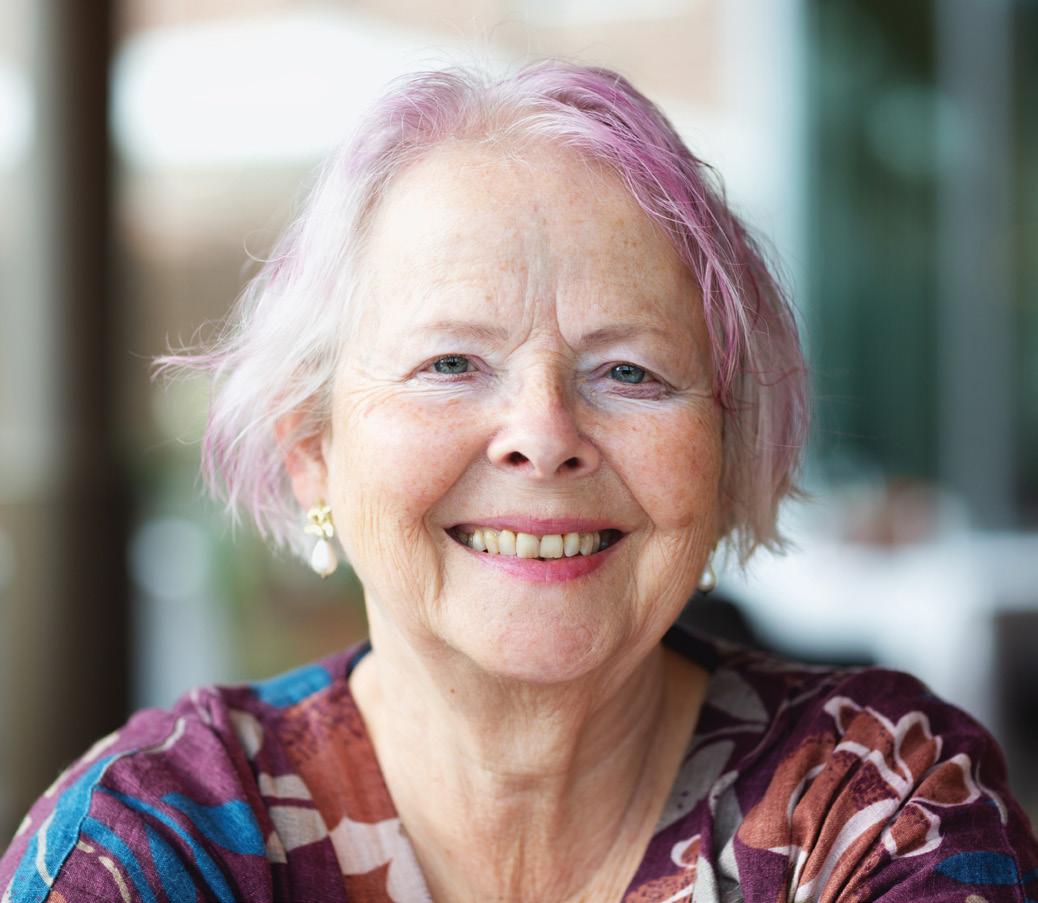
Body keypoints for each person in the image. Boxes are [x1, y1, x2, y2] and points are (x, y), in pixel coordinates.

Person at [2, 59, 1036, 903]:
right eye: (451, 363)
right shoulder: (154, 841)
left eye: (629, 372)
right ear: (311, 446)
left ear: (728, 455)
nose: (543, 437)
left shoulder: (878, 806)